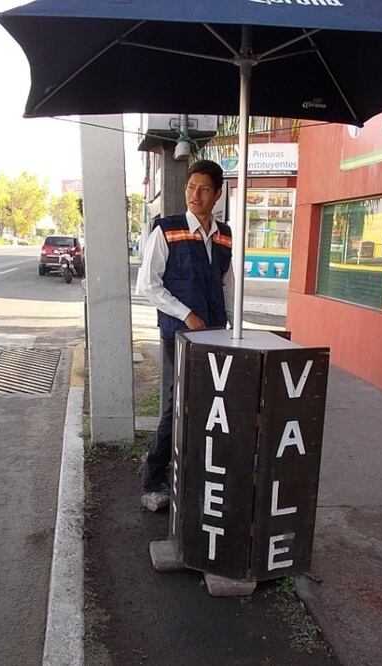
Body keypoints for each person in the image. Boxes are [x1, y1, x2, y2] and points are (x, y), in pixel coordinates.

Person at [136, 159, 233, 511]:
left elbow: (226, 283)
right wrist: (185, 314)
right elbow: (147, 284)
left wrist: (232, 325)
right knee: (178, 403)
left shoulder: (224, 235)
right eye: (191, 187)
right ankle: (153, 478)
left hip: (215, 334)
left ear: (217, 194)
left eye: (204, 189)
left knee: (209, 403)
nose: (195, 194)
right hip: (179, 334)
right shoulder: (167, 230)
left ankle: (192, 470)